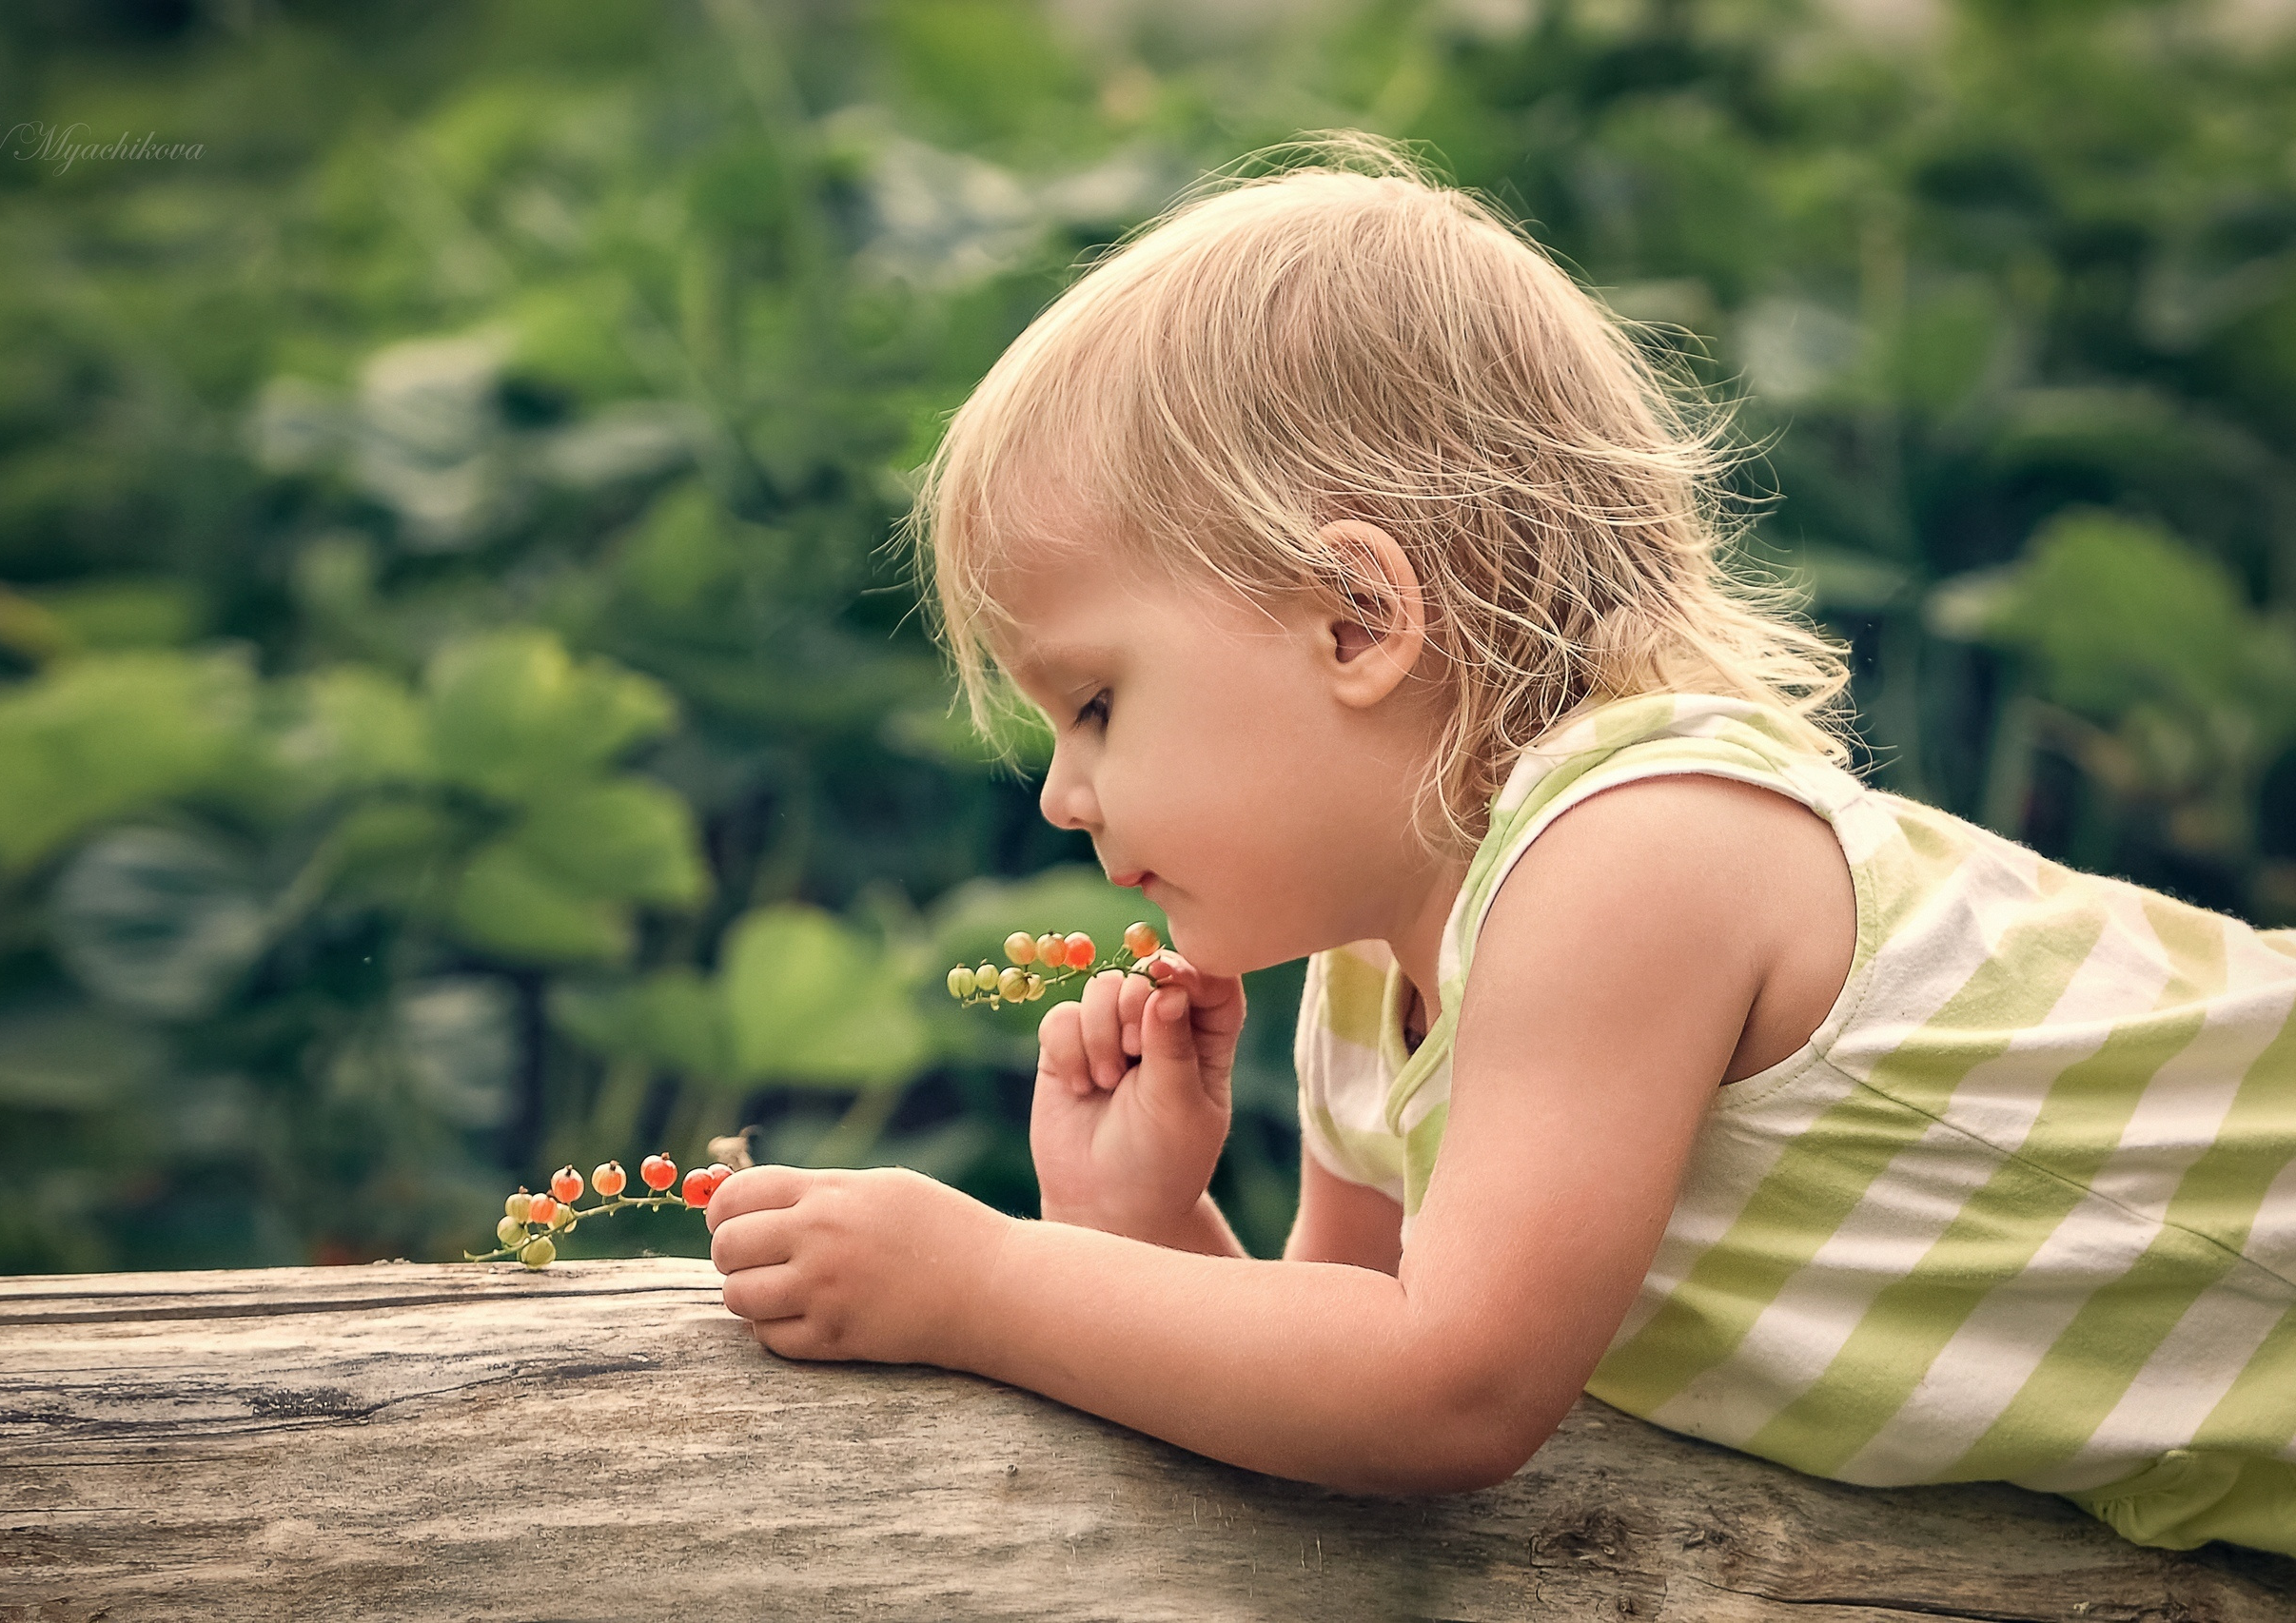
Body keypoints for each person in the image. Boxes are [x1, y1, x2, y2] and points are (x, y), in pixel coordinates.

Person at [701, 133, 2295, 1558]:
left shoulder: (1633, 850)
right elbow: (1343, 1374)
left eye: (1098, 703)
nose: (1061, 793)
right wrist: (1146, 1230)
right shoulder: (1364, 970)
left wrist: (978, 1283)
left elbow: (1449, 1387)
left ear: (1360, 618)